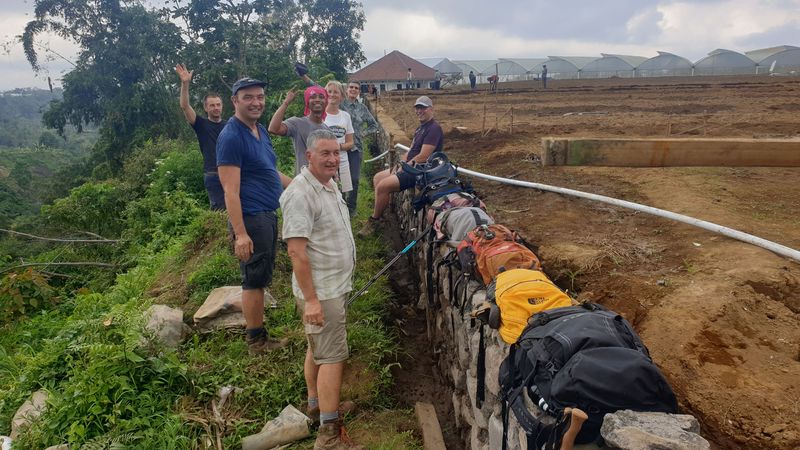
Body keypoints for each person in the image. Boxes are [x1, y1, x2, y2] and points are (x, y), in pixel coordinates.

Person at [280, 129, 361, 449]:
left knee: (318, 348)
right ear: (308, 156)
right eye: (324, 153)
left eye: (335, 153)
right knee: (333, 357)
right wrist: (312, 300)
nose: (332, 159)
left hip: (331, 288)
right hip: (322, 293)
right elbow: (296, 252)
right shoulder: (301, 194)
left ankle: (316, 404)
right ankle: (329, 434)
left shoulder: (327, 185)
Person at [217, 77, 293, 355]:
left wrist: (303, 186)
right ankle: (256, 342)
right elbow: (230, 190)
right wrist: (240, 233)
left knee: (260, 279)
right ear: (235, 101)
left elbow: (270, 172)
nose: (256, 102)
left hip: (266, 215)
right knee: (253, 280)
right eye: (248, 97)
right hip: (250, 217)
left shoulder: (259, 130)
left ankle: (259, 334)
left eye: (259, 96)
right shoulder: (231, 136)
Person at [358, 96, 443, 236]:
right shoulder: (420, 128)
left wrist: (405, 167)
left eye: (423, 108)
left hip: (419, 171)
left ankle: (374, 221)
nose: (419, 111)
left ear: (431, 109)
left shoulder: (434, 129)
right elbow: (411, 150)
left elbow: (424, 156)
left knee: (383, 186)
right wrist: (400, 163)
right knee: (377, 177)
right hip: (409, 166)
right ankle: (381, 216)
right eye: (417, 108)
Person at [175, 63, 226, 210]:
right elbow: (185, 106)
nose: (216, 108)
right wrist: (185, 84)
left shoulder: (230, 125)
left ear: (222, 106)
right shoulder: (200, 124)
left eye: (218, 104)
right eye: (212, 105)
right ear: (205, 108)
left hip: (232, 173)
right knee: (220, 213)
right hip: (213, 175)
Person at [268, 85, 329, 175]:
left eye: (321, 97)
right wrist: (286, 102)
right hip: (303, 181)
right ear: (307, 102)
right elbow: (273, 128)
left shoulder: (327, 130)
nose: (317, 100)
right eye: (313, 97)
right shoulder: (297, 123)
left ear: (326, 102)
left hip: (324, 180)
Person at [341, 81, 379, 215]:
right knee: (338, 178)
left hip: (356, 148)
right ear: (346, 89)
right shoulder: (340, 104)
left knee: (354, 179)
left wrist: (363, 133)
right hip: (339, 147)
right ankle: (340, 205)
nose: (353, 89)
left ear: (359, 92)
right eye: (351, 87)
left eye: (356, 88)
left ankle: (351, 208)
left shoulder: (362, 108)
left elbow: (374, 125)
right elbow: (325, 91)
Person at [323, 80, 355, 196]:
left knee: (341, 195)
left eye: (336, 92)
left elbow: (350, 142)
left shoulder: (345, 116)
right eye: (329, 91)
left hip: (342, 162)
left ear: (341, 96)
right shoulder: (319, 116)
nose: (332, 94)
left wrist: (338, 147)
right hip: (323, 162)